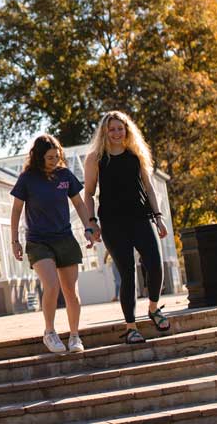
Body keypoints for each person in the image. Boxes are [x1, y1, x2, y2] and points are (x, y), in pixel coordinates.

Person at [83, 111, 169, 344]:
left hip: (141, 218)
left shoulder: (136, 154)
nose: (116, 133)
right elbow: (88, 194)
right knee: (127, 272)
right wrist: (92, 223)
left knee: (155, 264)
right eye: (111, 129)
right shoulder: (95, 159)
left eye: (120, 128)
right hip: (112, 223)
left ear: (127, 130)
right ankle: (131, 327)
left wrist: (158, 217)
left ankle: (153, 308)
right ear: (104, 132)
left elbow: (150, 188)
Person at [10, 134, 100, 354]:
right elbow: (16, 210)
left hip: (64, 238)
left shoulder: (65, 175)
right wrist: (14, 240)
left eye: (56, 156)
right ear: (39, 157)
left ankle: (75, 336)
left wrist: (89, 227)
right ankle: (50, 332)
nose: (54, 160)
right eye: (49, 157)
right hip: (38, 241)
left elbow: (79, 203)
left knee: (71, 292)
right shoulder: (27, 179)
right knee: (51, 285)